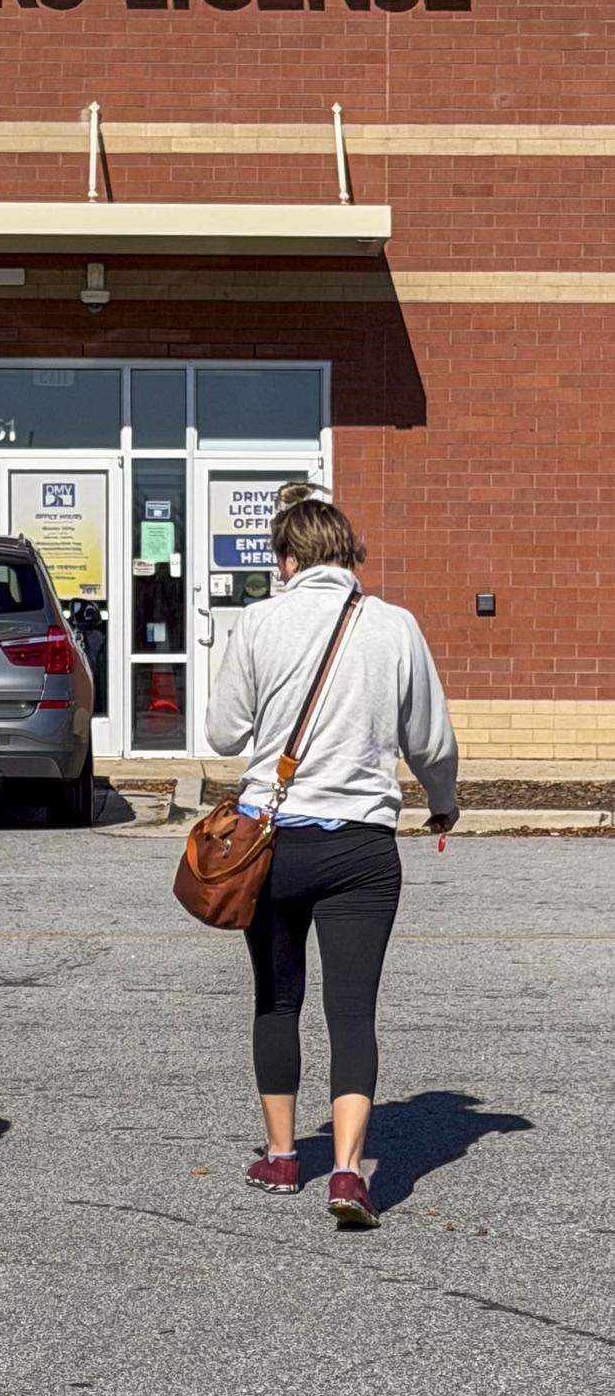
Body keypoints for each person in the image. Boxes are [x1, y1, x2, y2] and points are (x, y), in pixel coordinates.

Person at [205, 489, 458, 1229]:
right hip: (361, 847)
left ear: (286, 558)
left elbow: (224, 733)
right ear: (350, 555)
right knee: (353, 1012)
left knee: (276, 997)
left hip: (274, 842)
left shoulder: (257, 621)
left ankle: (283, 1156)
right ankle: (348, 1173)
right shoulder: (395, 626)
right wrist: (443, 800)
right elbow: (431, 741)